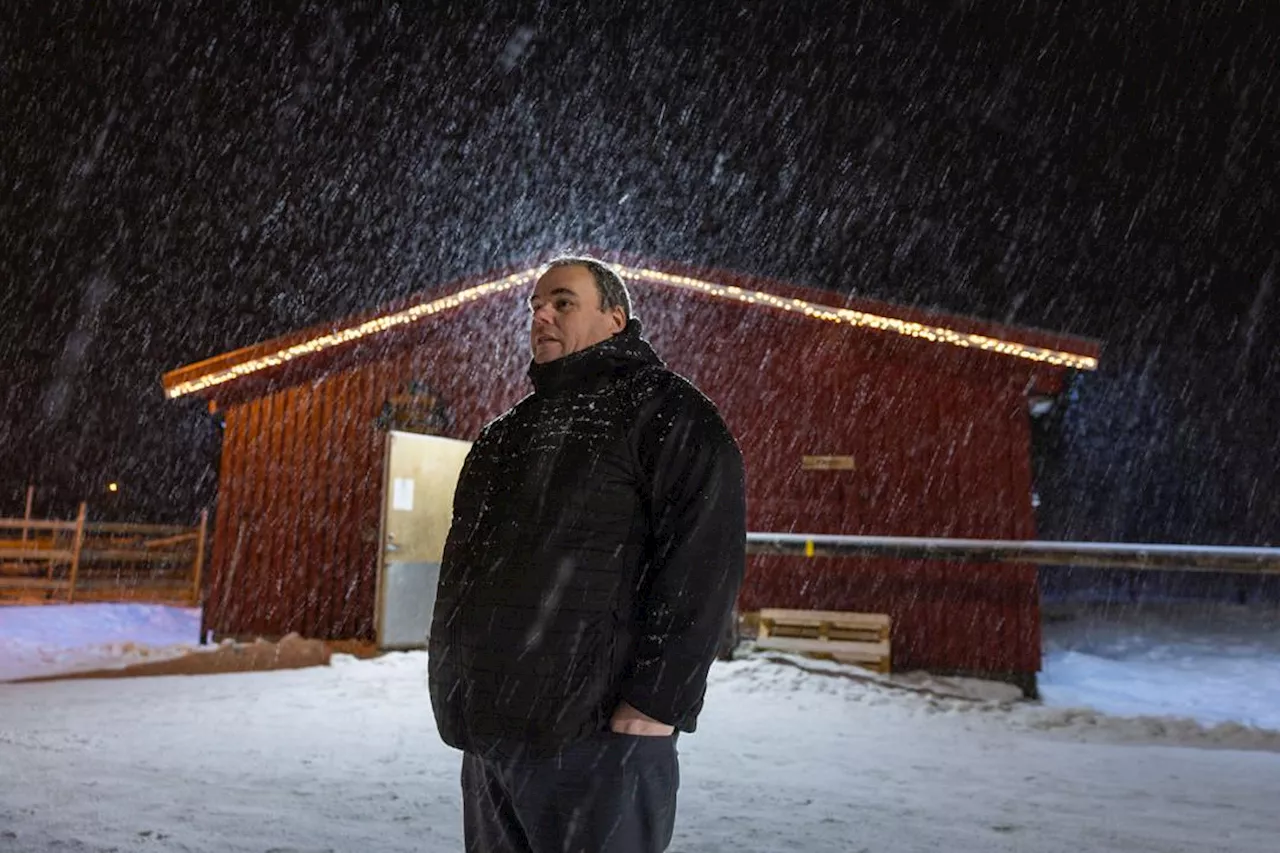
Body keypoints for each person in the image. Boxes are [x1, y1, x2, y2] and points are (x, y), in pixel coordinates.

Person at [428, 256, 746, 852]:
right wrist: (457, 696)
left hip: (599, 739)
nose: (540, 314)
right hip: (493, 738)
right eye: (535, 306)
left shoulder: (667, 416)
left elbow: (705, 565)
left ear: (616, 319)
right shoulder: (504, 436)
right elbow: (467, 576)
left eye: (563, 302)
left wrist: (655, 704)